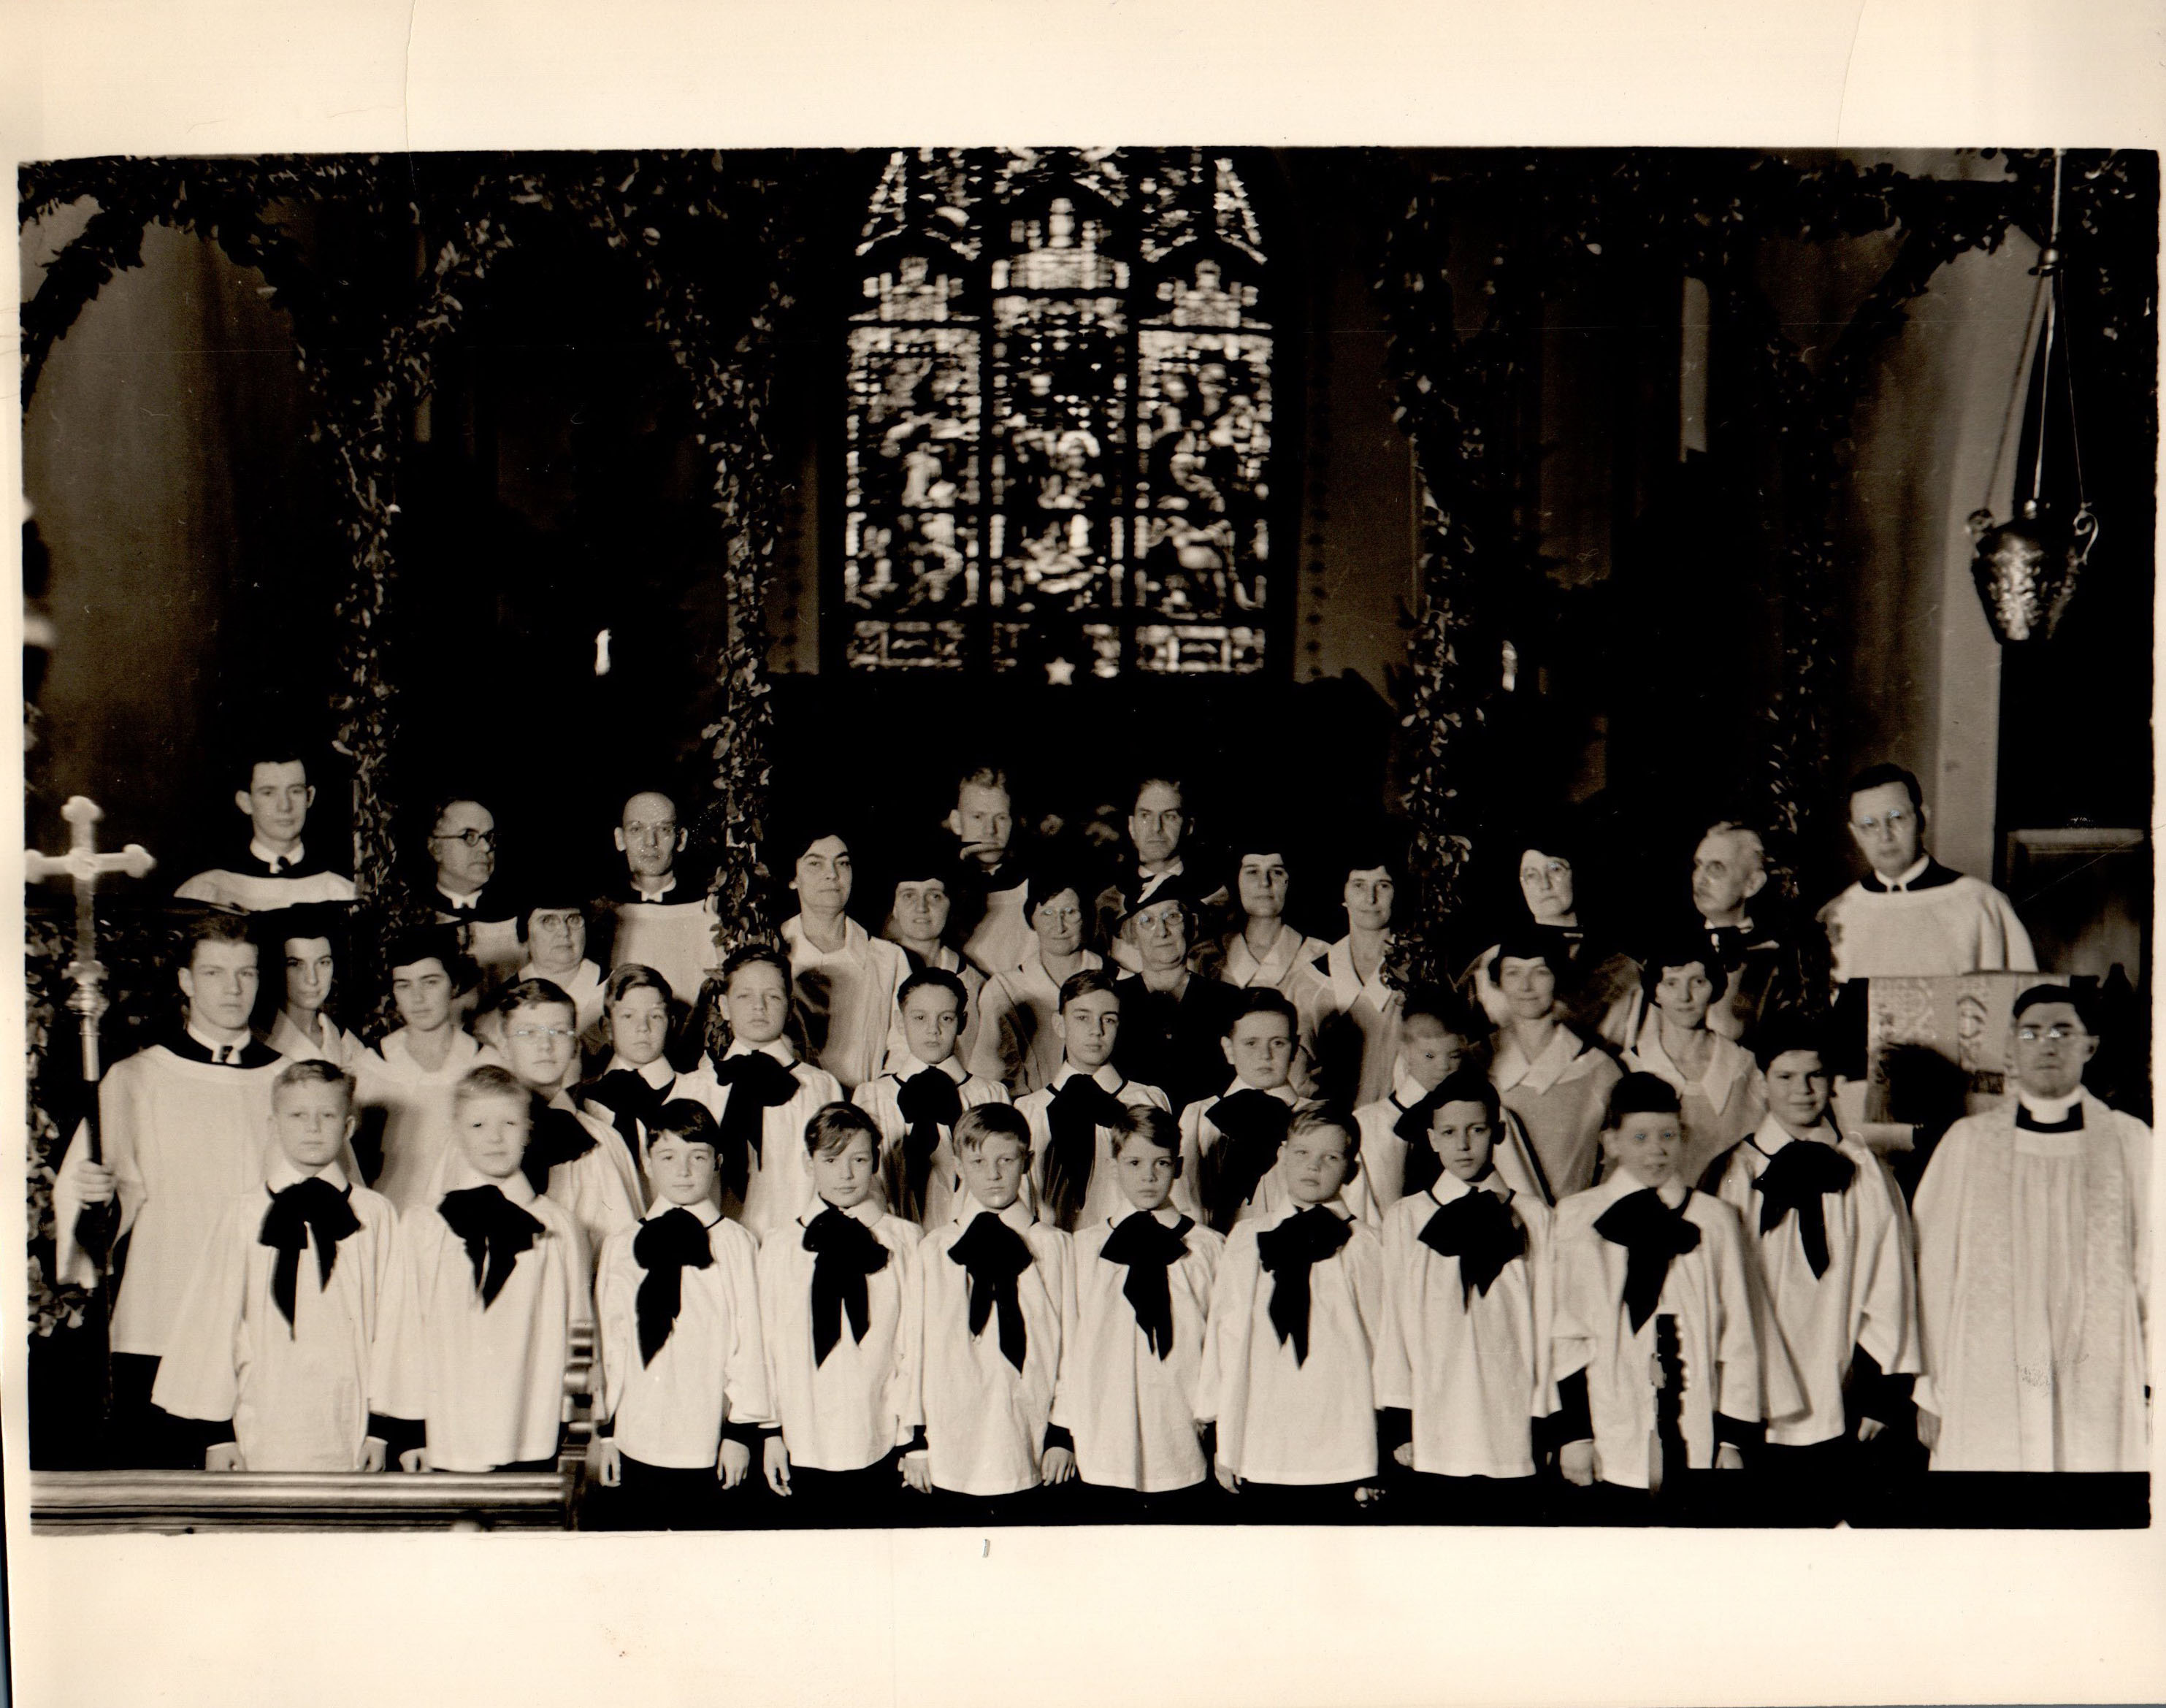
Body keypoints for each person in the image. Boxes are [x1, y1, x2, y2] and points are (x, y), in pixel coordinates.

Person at [53, 914, 294, 1465]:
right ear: (185, 980)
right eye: (214, 973)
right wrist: (95, 1200)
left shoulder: (296, 1077)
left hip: (267, 1309)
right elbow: (94, 1224)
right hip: (166, 1309)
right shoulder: (137, 1077)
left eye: (246, 973)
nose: (233, 989)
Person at [1912, 984, 2149, 1472]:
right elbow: (1932, 1273)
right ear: (2012, 1046)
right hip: (1985, 1373)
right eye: (2031, 1033)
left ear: (2089, 1045)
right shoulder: (1969, 1143)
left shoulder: (2130, 1141)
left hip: (2102, 1370)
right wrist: (1929, 1389)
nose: (2047, 1045)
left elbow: (2154, 1267)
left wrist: (2152, 1379)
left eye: (2063, 1032)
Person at [1702, 1013, 1919, 1521]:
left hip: (1842, 1387)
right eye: (1785, 1076)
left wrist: (1881, 1392)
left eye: (1814, 1075)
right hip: (1753, 1398)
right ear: (1761, 1083)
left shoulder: (1864, 1173)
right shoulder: (1732, 1174)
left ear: (1831, 1081)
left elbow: (1890, 1279)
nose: (1802, 1090)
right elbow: (1715, 1295)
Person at [150, 1060, 397, 1472]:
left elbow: (395, 1323)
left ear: (349, 1127)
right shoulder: (243, 1214)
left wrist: (382, 1430)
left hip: (350, 1421)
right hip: (262, 1417)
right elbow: (214, 1324)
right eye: (297, 1115)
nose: (312, 1128)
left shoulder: (376, 1214)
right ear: (274, 1124)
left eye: (327, 1115)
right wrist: (218, 1435)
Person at [1550, 1074, 1775, 1510]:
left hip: (1696, 1424)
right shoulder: (1576, 1217)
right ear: (1611, 1142)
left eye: (1667, 1136)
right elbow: (1564, 1335)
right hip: (1607, 1422)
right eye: (1640, 1137)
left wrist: (1732, 1438)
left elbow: (1739, 1334)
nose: (1656, 1150)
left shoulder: (1715, 1219)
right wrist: (1574, 1435)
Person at [370, 1065, 594, 1474]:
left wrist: (573, 1425)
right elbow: (405, 1327)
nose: (495, 1138)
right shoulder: (425, 1225)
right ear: (457, 1131)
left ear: (528, 1130)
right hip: (447, 1432)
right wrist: (408, 1431)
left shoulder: (559, 1226)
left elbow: (579, 1327)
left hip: (534, 1428)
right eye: (478, 1125)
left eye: (509, 1123)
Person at [1373, 1069, 1556, 1519]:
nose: (1464, 1145)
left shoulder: (1534, 1215)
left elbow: (1547, 1321)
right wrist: (1399, 1421)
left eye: (1476, 1130)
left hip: (1511, 1413)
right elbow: (1394, 1323)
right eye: (1450, 1132)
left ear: (1498, 1133)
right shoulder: (1406, 1217)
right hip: (1434, 1416)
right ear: (1432, 1139)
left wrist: (1544, 1417)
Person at [1198, 1108, 1385, 1522]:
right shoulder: (1247, 1237)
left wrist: (1376, 1450)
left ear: (1352, 1169)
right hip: (1261, 1432)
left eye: (1330, 1158)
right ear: (1282, 1156)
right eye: (1302, 1153)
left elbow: (1380, 1342)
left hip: (1342, 1436)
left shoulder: (1366, 1244)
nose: (1313, 1166)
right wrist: (1221, 1434)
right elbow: (1225, 1333)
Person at [592, 1102, 772, 1528]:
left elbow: (751, 1343)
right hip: (636, 1434)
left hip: (709, 1437)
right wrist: (607, 1433)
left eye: (698, 1156)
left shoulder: (736, 1244)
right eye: (669, 1157)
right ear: (647, 1163)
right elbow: (610, 1344)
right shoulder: (621, 1245)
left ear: (718, 1162)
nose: (684, 1171)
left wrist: (740, 1434)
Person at [898, 1104, 1076, 1519]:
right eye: (978, 1162)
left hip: (1030, 1430)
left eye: (1006, 1160)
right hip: (950, 1436)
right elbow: (914, 1348)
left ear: (1027, 1162)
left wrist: (1062, 1433)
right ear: (959, 1166)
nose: (993, 1174)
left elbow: (1074, 1345)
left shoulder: (1056, 1246)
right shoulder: (935, 1249)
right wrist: (915, 1440)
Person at [1052, 1106, 1224, 1518]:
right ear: (1114, 1167)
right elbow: (1067, 1346)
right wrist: (1061, 1433)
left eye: (1160, 1163)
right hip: (1102, 1433)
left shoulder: (1209, 1248)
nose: (1148, 1176)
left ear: (1178, 1166)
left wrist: (1218, 1426)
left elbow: (1223, 1346)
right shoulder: (1082, 1249)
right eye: (1134, 1163)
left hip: (1181, 1429)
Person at [757, 1102, 922, 1526]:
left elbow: (914, 1344)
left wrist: (913, 1438)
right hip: (802, 1436)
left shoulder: (906, 1240)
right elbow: (767, 1345)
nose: (846, 1174)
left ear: (876, 1161)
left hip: (881, 1433)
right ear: (808, 1162)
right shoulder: (779, 1245)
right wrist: (771, 1432)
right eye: (831, 1160)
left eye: (859, 1160)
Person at [1818, 763, 2036, 985]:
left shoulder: (1982, 904)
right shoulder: (1839, 914)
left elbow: (2021, 995)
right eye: (1869, 824)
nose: (1885, 836)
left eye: (1896, 818)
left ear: (1922, 818)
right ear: (1855, 833)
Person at [1182, 989, 1366, 1234]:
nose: (1265, 1055)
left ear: (1295, 1048)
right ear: (1228, 1049)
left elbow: (1354, 1205)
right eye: (1251, 1043)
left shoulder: (1326, 1121)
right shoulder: (1200, 1117)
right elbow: (1186, 1204)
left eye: (1278, 1043)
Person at [353, 926, 501, 1215]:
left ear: (454, 985)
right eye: (404, 985)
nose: (417, 998)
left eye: (430, 982)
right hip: (394, 1219)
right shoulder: (371, 1068)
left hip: (470, 1219)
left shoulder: (487, 1065)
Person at [1353, 990, 1545, 1210]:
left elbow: (1527, 1202)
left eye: (1454, 1055)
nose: (1443, 1066)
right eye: (1429, 1056)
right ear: (1404, 1050)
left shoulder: (1490, 1116)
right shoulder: (1367, 1124)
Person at [708, 946, 847, 1244]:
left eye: (772, 996)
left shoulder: (820, 1087)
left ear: (789, 1006)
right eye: (744, 996)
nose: (759, 1006)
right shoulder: (698, 1086)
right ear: (724, 1006)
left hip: (796, 1246)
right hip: (717, 1250)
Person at [494, 977, 642, 1255]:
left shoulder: (603, 1143)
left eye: (559, 1032)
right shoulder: (480, 1135)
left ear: (575, 1045)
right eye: (528, 1033)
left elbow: (623, 1257)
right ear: (503, 1045)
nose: (545, 1045)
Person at [1016, 968, 1171, 1234]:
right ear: (1059, 1024)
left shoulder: (1148, 1100)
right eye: (1082, 1018)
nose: (1096, 1031)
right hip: (1057, 1247)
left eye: (1108, 1019)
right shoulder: (1030, 1110)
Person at [854, 968, 1010, 1229]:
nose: (933, 1030)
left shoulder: (990, 1094)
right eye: (920, 1018)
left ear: (963, 1022)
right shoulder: (873, 1096)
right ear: (900, 1022)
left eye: (946, 1018)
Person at [1464, 831, 1640, 1051]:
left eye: (1555, 869)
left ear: (1576, 873)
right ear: (1521, 884)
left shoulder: (1620, 965)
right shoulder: (1491, 961)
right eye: (1531, 875)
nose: (1544, 884)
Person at [1488, 932, 1623, 1202]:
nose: (1526, 987)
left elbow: (1619, 1162)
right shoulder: (1478, 1061)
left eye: (1540, 972)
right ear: (1499, 981)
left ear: (1559, 979)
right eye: (1513, 973)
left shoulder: (1599, 1069)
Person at [777, 822, 911, 1095]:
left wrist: (875, 1099)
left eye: (843, 863)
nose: (832, 874)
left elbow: (903, 1046)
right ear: (793, 878)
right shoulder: (770, 951)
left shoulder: (889, 959)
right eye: (815, 864)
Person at [1623, 943, 1768, 1189]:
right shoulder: (1628, 1066)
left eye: (1698, 982)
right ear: (1655, 991)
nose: (1684, 997)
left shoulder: (1746, 1066)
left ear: (1715, 988)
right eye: (1671, 983)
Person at [575, 965, 726, 1183]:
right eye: (628, 1016)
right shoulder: (582, 1101)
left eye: (655, 1016)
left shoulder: (703, 1091)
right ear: (607, 1027)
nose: (643, 1027)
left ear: (671, 1024)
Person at [971, 869, 1102, 1097]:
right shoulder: (1004, 988)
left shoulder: (1117, 979)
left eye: (1070, 912)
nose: (1059, 927)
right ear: (1031, 918)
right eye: (1047, 913)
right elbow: (989, 1074)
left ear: (1086, 916)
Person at [173, 746, 356, 910]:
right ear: (245, 802)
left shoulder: (339, 890)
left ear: (310, 797)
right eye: (268, 793)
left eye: (295, 791)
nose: (285, 806)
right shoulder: (208, 890)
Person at [1111, 896, 1244, 1118]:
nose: (1162, 932)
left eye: (1172, 917)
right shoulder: (1111, 1000)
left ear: (1191, 926)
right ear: (1132, 935)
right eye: (1147, 921)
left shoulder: (1228, 999)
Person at [1093, 777, 1228, 973]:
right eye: (1145, 815)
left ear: (1188, 826)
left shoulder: (1218, 898)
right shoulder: (1107, 902)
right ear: (1132, 825)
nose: (1156, 828)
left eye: (1170, 816)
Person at [605, 788, 722, 1008]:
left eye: (664, 829)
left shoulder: (709, 912)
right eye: (637, 829)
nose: (650, 842)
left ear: (681, 839)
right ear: (620, 839)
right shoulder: (601, 916)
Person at [1689, 821, 1803, 1043]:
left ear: (1752, 884)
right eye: (1698, 865)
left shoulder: (1780, 959)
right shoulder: (1672, 948)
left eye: (1716, 868)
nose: (1699, 879)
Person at [1309, 849, 1406, 1109]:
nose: (1371, 898)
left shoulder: (1422, 971)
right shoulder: (1313, 977)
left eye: (1383, 886)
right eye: (1359, 885)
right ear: (1343, 894)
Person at [877, 850, 987, 1072]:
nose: (921, 907)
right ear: (895, 908)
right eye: (909, 895)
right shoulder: (874, 968)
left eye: (935, 896)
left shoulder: (975, 982)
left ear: (951, 905)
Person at [486, 881, 607, 1058]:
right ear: (525, 933)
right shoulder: (499, 1002)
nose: (564, 932)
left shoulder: (616, 991)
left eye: (573, 919)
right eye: (548, 920)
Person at [946, 767, 1034, 980]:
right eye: (978, 817)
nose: (990, 830)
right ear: (957, 822)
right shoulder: (937, 888)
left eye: (1001, 818)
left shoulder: (1035, 888)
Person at [255, 904, 364, 1073]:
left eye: (323, 962)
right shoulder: (259, 1042)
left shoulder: (346, 1044)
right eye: (295, 964)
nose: (312, 979)